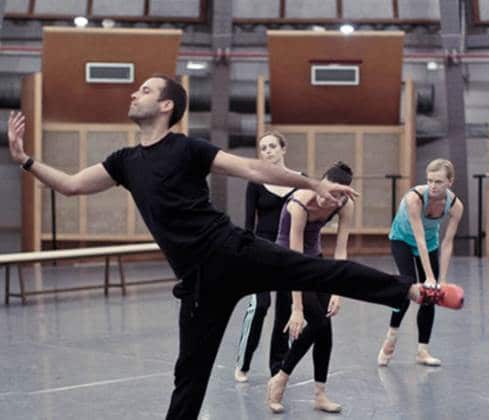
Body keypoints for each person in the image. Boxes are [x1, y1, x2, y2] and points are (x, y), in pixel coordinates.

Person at [7, 75, 431, 420]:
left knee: (317, 271)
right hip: (196, 284)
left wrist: (313, 184)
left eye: (145, 90)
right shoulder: (124, 162)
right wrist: (25, 159)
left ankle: (409, 290)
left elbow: (251, 168)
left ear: (166, 105)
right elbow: (71, 185)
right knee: (189, 377)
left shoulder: (188, 148)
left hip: (231, 251)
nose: (134, 94)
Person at [266, 161, 354, 414]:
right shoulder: (299, 203)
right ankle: (280, 378)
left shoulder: (345, 204)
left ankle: (320, 394)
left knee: (325, 325)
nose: (328, 199)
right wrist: (297, 308)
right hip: (287, 261)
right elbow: (295, 260)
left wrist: (337, 292)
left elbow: (340, 251)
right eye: (327, 191)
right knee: (315, 320)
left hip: (315, 259)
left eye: (336, 196)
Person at [377, 159, 464, 367]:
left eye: (439, 182)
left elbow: (447, 243)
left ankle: (422, 351)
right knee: (407, 288)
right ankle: (391, 337)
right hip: (402, 240)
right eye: (430, 180)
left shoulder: (455, 206)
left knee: (430, 297)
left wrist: (442, 280)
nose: (433, 186)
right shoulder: (414, 198)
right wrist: (430, 277)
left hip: (431, 242)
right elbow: (419, 239)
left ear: (450, 182)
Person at [234, 131, 295, 383]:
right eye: (263, 148)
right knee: (260, 305)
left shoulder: (298, 180)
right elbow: (249, 224)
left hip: (289, 250)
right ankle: (243, 362)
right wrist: (245, 255)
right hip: (261, 249)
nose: (268, 151)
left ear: (283, 149)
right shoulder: (256, 183)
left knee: (285, 307)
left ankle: (278, 366)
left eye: (272, 146)